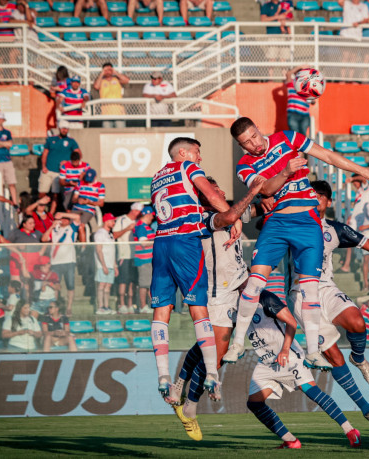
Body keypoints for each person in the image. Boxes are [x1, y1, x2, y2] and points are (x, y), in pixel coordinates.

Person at [225, 116, 369, 370]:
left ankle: (313, 351)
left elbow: (327, 156)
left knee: (310, 289)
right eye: (246, 143)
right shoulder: (244, 165)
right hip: (277, 224)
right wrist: (286, 171)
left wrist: (366, 172)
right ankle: (237, 344)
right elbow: (266, 190)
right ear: (241, 146)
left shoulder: (287, 138)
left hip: (307, 222)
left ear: (259, 129)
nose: (254, 145)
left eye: (254, 137)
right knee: (255, 283)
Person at [150, 136, 265, 404]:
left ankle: (164, 377)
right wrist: (233, 218)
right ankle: (212, 374)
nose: (199, 158)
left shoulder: (157, 178)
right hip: (184, 243)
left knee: (161, 312)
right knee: (197, 311)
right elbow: (214, 198)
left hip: (161, 242)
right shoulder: (188, 170)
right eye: (197, 152)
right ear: (183, 152)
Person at [286, 180, 369, 438]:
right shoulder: (291, 224)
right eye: (310, 196)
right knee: (334, 358)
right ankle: (368, 411)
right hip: (301, 296)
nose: (315, 200)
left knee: (358, 322)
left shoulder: (334, 229)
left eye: (320, 196)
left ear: (328, 202)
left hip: (326, 288)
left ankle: (358, 358)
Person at [170, 176, 266, 439]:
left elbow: (254, 210)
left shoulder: (229, 213)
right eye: (214, 190)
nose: (221, 191)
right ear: (203, 196)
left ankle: (180, 385)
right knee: (216, 352)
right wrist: (253, 191)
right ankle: (189, 406)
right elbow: (230, 216)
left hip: (240, 283)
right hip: (218, 293)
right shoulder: (202, 218)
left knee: (212, 349)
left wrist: (270, 194)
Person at [245, 290, 362, 449]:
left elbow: (291, 322)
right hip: (266, 362)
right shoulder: (236, 303)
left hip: (288, 357)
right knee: (254, 403)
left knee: (312, 391)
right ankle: (291, 441)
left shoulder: (265, 298)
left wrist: (285, 349)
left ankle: (350, 430)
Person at [42, 211, 84, 316]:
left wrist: (63, 214)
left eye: (66, 218)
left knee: (70, 285)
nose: (64, 220)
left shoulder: (71, 228)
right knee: (56, 285)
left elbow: (77, 217)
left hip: (69, 261)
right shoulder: (55, 230)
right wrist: (52, 226)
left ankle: (69, 308)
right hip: (56, 262)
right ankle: (55, 308)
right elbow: (43, 239)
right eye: (62, 218)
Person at [40, 120, 81, 208]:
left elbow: (78, 154)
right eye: (63, 128)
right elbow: (45, 154)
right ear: (59, 128)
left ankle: (51, 213)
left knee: (56, 194)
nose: (64, 130)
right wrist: (43, 166)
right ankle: (41, 210)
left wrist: (69, 162)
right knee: (42, 192)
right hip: (48, 170)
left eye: (66, 129)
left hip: (60, 173)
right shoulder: (51, 139)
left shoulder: (71, 141)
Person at [112, 202, 142, 314]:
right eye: (139, 211)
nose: (140, 214)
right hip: (124, 255)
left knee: (133, 282)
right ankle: (122, 304)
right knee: (123, 281)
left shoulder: (139, 222)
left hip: (135, 255)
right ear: (134, 210)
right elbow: (114, 235)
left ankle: (130, 305)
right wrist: (128, 228)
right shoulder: (121, 219)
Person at [8, 214, 44, 294]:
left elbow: (45, 243)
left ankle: (27, 302)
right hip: (18, 260)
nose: (32, 225)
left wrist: (40, 253)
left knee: (28, 284)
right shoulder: (16, 233)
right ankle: (14, 303)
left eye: (33, 223)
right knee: (16, 284)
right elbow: (7, 244)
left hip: (32, 261)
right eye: (30, 223)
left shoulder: (37, 233)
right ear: (24, 224)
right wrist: (18, 251)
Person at [132, 206, 155, 314]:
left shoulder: (146, 226)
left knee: (149, 284)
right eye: (151, 215)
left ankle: (148, 305)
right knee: (144, 284)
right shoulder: (141, 226)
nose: (152, 218)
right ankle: (143, 306)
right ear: (147, 214)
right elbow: (143, 242)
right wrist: (156, 240)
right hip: (143, 260)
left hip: (148, 260)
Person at [93, 63, 129, 129]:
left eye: (109, 69)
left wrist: (115, 72)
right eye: (105, 70)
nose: (108, 71)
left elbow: (126, 80)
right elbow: (96, 86)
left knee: (121, 133)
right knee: (107, 135)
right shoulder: (101, 80)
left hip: (119, 113)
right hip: (106, 113)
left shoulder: (117, 79)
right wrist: (101, 74)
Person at [94, 212, 117, 315]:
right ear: (106, 221)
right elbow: (99, 250)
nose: (114, 223)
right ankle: (100, 307)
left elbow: (112, 251)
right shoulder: (99, 233)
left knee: (108, 286)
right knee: (102, 285)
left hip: (110, 264)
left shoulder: (110, 234)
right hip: (103, 265)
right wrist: (103, 265)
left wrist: (115, 266)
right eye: (112, 221)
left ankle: (106, 306)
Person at [284, 66, 313, 136]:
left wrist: (312, 99)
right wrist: (300, 67)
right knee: (295, 136)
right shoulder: (291, 83)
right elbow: (288, 74)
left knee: (303, 137)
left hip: (305, 115)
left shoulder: (307, 86)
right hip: (293, 114)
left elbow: (312, 101)